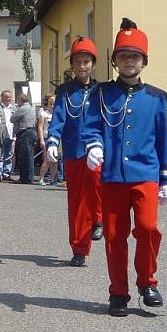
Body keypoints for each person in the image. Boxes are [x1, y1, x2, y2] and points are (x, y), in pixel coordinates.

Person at [82, 18, 167, 317]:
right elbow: (92, 126)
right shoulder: (101, 93)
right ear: (115, 62)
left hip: (146, 172)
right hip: (112, 175)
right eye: (123, 56)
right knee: (114, 235)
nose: (129, 61)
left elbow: (163, 139)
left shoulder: (157, 98)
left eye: (134, 56)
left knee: (148, 228)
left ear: (143, 62)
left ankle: (147, 283)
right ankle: (118, 292)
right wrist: (94, 145)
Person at [46, 37, 103, 267]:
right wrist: (52, 141)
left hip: (96, 150)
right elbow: (58, 118)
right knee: (77, 201)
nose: (82, 66)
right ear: (72, 65)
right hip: (73, 150)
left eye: (86, 61)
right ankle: (79, 248)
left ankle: (98, 220)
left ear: (93, 64)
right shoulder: (65, 92)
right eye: (78, 62)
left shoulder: (102, 91)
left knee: (98, 183)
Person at [11, 94, 37, 183]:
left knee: (24, 156)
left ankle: (24, 178)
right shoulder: (31, 108)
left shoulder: (23, 108)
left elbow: (12, 119)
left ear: (20, 100)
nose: (17, 103)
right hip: (32, 132)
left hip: (25, 132)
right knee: (29, 156)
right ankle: (29, 177)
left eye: (18, 101)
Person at [37, 94, 58, 185]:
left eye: (54, 104)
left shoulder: (58, 115)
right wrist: (41, 140)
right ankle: (41, 179)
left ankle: (53, 179)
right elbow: (40, 127)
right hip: (46, 138)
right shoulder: (44, 113)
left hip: (56, 139)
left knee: (55, 160)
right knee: (47, 159)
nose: (52, 106)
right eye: (51, 104)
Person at [0, 90, 15, 181]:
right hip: (2, 134)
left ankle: (6, 173)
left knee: (9, 155)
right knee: (0, 155)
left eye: (10, 97)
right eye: (7, 97)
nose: (9, 99)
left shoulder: (14, 108)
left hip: (11, 134)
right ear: (2, 98)